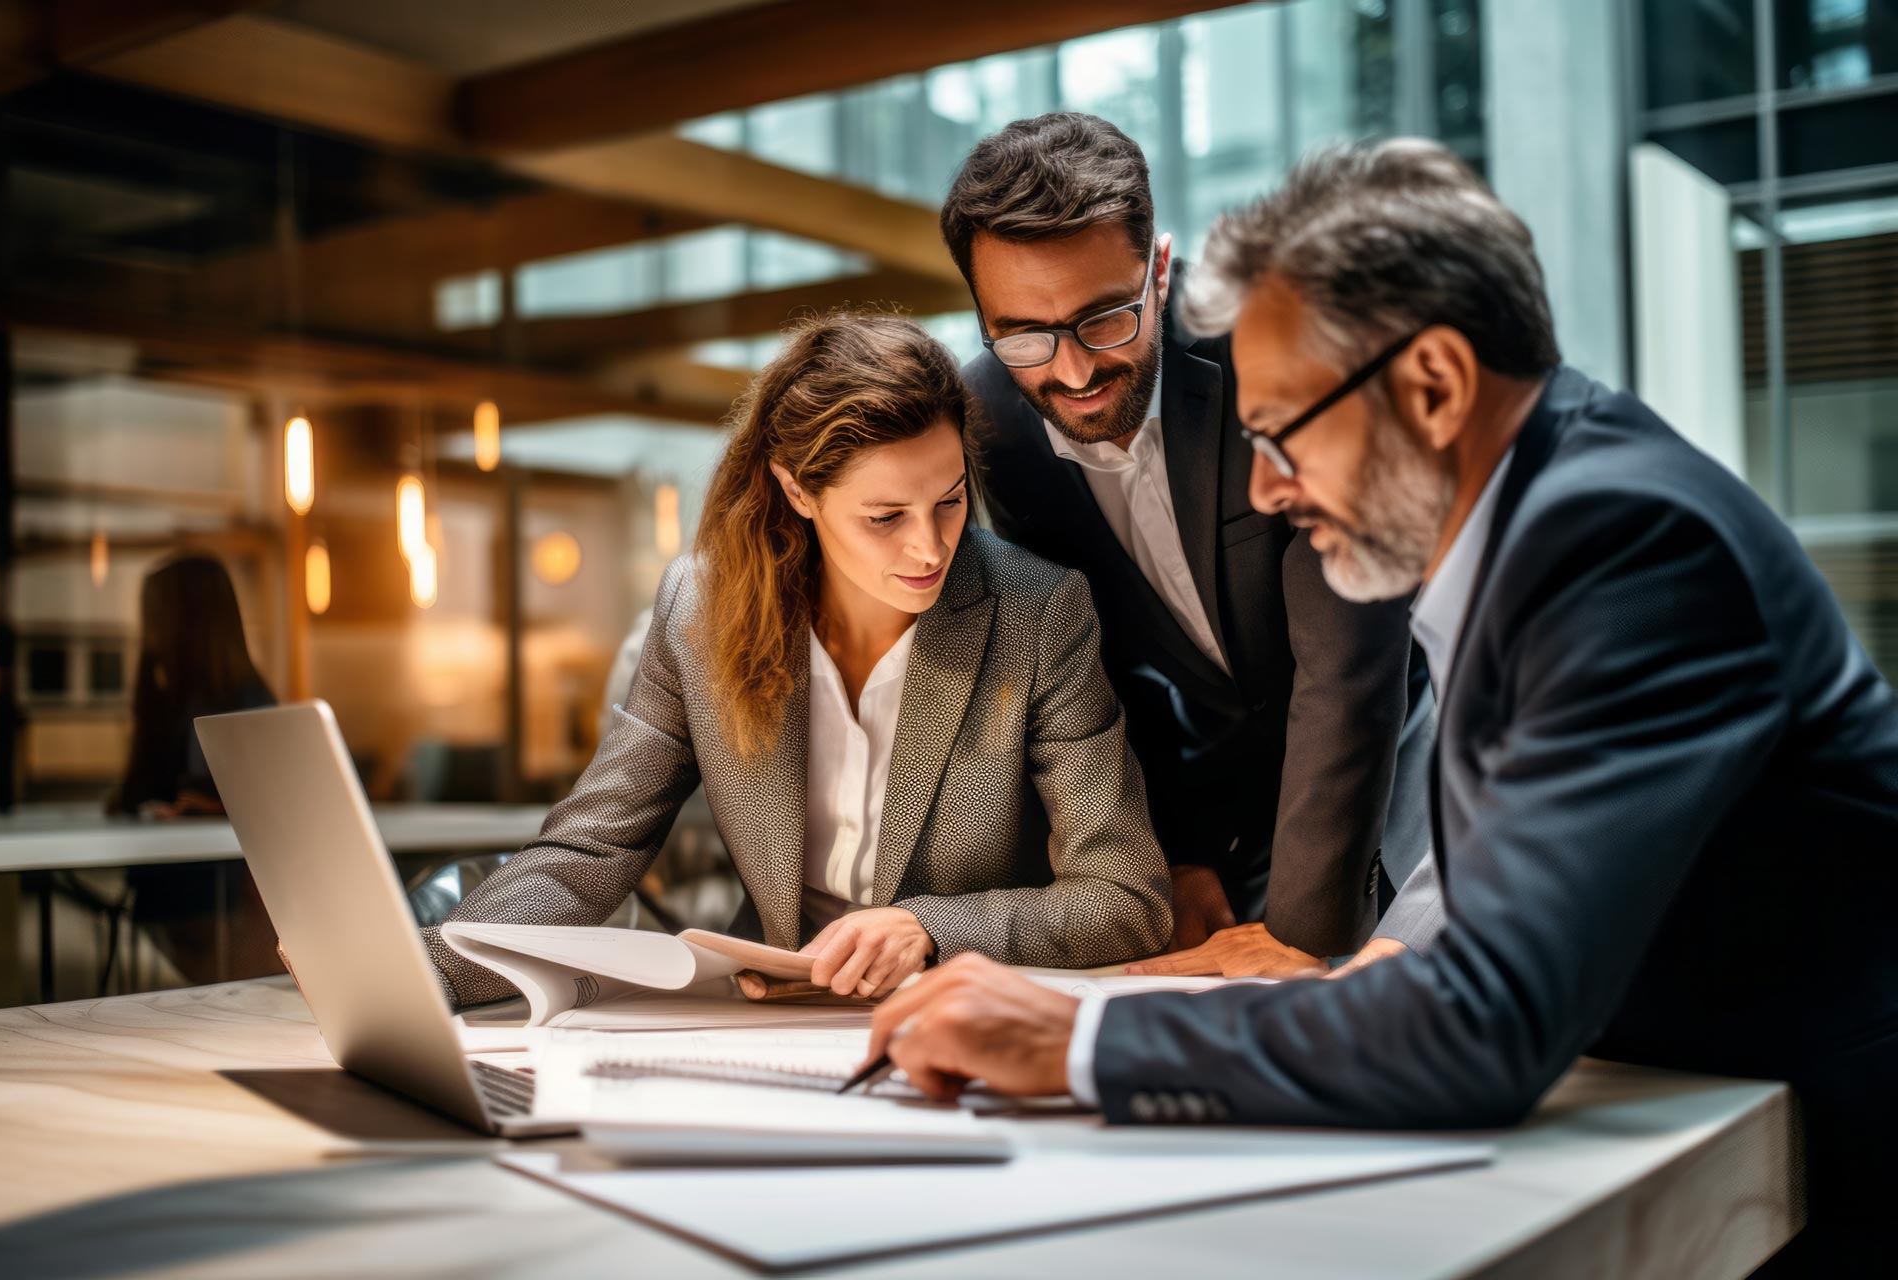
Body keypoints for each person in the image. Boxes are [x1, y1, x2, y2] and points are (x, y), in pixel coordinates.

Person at [869, 139, 1898, 1271]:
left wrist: (1079, 1035)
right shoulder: (1537, 519)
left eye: (1282, 433)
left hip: (1824, 1148)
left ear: (1436, 386)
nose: (1263, 488)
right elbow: (1493, 882)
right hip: (1689, 1088)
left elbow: (1483, 1023)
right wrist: (1380, 960)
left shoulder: (1619, 546)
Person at [423, 312, 1171, 1007]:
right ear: (795, 490)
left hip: (956, 1018)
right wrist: (429, 972)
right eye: (884, 517)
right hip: (769, 1014)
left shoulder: (1036, 613)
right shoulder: (699, 612)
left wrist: (930, 929)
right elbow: (592, 848)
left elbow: (1125, 898)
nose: (931, 546)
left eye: (949, 500)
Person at [944, 113, 1436, 973]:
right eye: (1023, 334)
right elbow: (1098, 666)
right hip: (1224, 800)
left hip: (1400, 763)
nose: (1070, 373)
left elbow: (1350, 666)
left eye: (1104, 319)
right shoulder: (993, 424)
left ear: (1161, 271)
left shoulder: (1282, 347)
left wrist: (1300, 935)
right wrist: (1177, 851)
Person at [111, 554, 279, 984]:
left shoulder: (244, 707)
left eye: (155, 614)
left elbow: (271, 814)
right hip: (179, 887)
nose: (147, 630)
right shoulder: (176, 702)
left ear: (187, 620)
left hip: (223, 896)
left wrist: (205, 808)